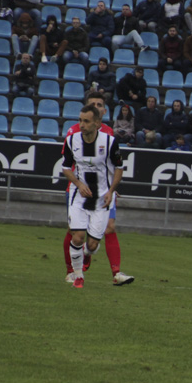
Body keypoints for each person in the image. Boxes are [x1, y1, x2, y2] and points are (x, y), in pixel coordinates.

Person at [60, 91, 135, 286]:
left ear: (102, 111)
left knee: (106, 230)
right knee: (75, 232)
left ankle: (115, 272)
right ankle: (73, 272)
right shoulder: (72, 133)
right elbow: (68, 166)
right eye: (92, 103)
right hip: (78, 189)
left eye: (99, 104)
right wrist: (76, 184)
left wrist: (112, 188)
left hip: (103, 192)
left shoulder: (109, 135)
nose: (96, 106)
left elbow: (114, 166)